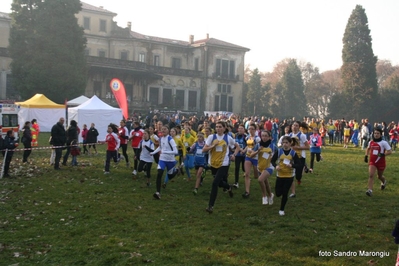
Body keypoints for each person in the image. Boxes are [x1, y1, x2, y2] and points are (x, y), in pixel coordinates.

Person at [203, 121, 240, 213]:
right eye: (217, 127)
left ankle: (210, 206)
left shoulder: (228, 138)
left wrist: (234, 155)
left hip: (224, 163)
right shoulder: (211, 137)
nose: (218, 128)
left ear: (224, 128)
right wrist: (213, 145)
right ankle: (228, 187)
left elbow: (237, 147)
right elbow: (204, 149)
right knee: (219, 183)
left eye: (220, 127)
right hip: (213, 163)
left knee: (215, 183)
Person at [271, 136, 300, 216]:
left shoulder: (293, 153)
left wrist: (292, 165)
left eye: (286, 143)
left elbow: (299, 164)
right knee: (278, 193)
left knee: (285, 193)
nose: (284, 144)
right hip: (280, 175)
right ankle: (273, 195)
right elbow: (272, 161)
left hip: (289, 176)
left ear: (290, 143)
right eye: (283, 143)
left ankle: (281, 209)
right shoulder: (279, 151)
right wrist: (276, 166)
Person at [150, 125, 180, 199]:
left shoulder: (170, 139)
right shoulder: (160, 138)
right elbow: (160, 147)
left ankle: (177, 170)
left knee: (170, 176)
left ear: (168, 130)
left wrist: (166, 152)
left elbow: (175, 151)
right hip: (162, 159)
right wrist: (153, 152)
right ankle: (158, 193)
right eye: (162, 129)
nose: (163, 130)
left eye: (165, 129)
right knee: (159, 173)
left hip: (171, 160)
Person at [364, 128, 392, 196]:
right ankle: (370, 190)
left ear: (380, 134)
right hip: (372, 162)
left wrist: (383, 154)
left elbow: (390, 151)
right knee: (371, 175)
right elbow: (368, 149)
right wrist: (366, 156)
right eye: (375, 133)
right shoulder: (371, 142)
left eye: (378, 133)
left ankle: (384, 182)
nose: (376, 135)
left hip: (381, 162)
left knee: (379, 176)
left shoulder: (383, 143)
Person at [251, 130, 276, 205]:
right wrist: (258, 151)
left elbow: (278, 155)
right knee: (266, 183)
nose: (264, 137)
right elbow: (251, 155)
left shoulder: (273, 146)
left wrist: (273, 159)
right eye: (263, 136)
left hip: (269, 167)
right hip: (260, 167)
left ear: (269, 137)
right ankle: (270, 195)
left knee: (260, 180)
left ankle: (264, 196)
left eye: (266, 136)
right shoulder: (258, 145)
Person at [289, 121, 310, 198]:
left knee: (298, 175)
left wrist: (298, 148)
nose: (294, 127)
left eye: (296, 125)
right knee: (291, 171)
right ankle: (291, 187)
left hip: (301, 156)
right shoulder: (290, 135)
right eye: (293, 125)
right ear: (291, 127)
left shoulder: (302, 136)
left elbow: (308, 147)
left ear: (299, 127)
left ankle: (302, 169)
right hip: (292, 156)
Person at [242, 123, 261, 199]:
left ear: (255, 130)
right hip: (248, 157)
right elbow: (247, 145)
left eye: (252, 129)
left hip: (256, 157)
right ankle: (247, 192)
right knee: (247, 174)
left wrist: (254, 152)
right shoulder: (247, 137)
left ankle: (256, 173)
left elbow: (260, 148)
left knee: (256, 176)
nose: (250, 130)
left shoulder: (257, 138)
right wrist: (243, 151)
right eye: (249, 129)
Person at [233, 124, 247, 188]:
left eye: (242, 128)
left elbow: (249, 145)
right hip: (238, 155)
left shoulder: (246, 136)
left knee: (244, 168)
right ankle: (236, 182)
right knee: (237, 168)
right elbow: (233, 144)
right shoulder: (235, 135)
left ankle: (247, 177)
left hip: (244, 155)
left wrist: (243, 150)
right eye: (239, 128)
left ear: (244, 130)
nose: (240, 129)